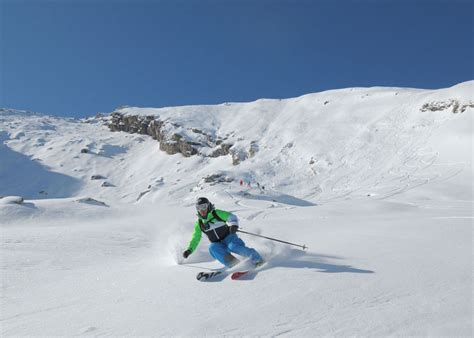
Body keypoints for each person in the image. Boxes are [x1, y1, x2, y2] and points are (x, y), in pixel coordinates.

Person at [182, 197, 264, 268]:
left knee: (233, 246)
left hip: (229, 237)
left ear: (208, 205)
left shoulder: (216, 213)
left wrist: (234, 225)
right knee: (212, 248)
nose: (201, 210)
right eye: (198, 207)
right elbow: (195, 238)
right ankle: (234, 264)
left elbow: (232, 217)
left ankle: (257, 259)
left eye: (203, 206)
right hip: (217, 243)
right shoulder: (199, 223)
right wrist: (189, 250)